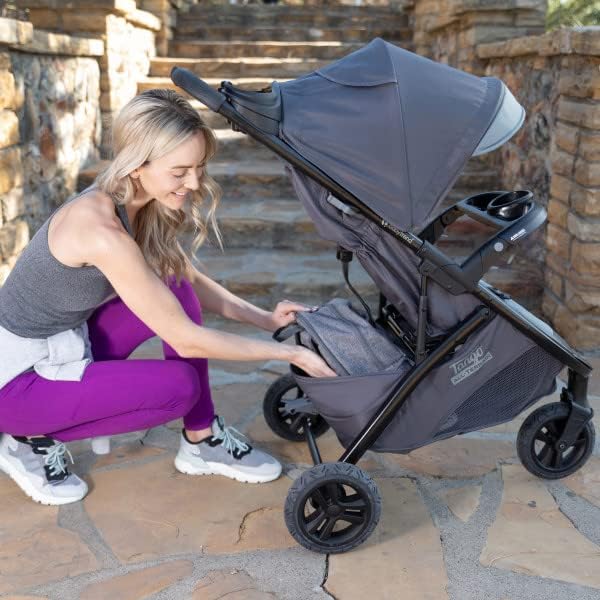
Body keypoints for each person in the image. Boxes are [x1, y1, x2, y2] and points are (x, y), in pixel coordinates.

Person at [0, 89, 336, 506]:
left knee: (174, 284)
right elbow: (187, 340)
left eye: (198, 168)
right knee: (180, 388)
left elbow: (185, 278)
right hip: (15, 383)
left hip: (64, 344)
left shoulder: (133, 203)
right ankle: (25, 439)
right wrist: (290, 354)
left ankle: (201, 439)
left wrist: (265, 319)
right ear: (137, 164)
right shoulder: (100, 231)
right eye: (180, 172)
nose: (193, 183)